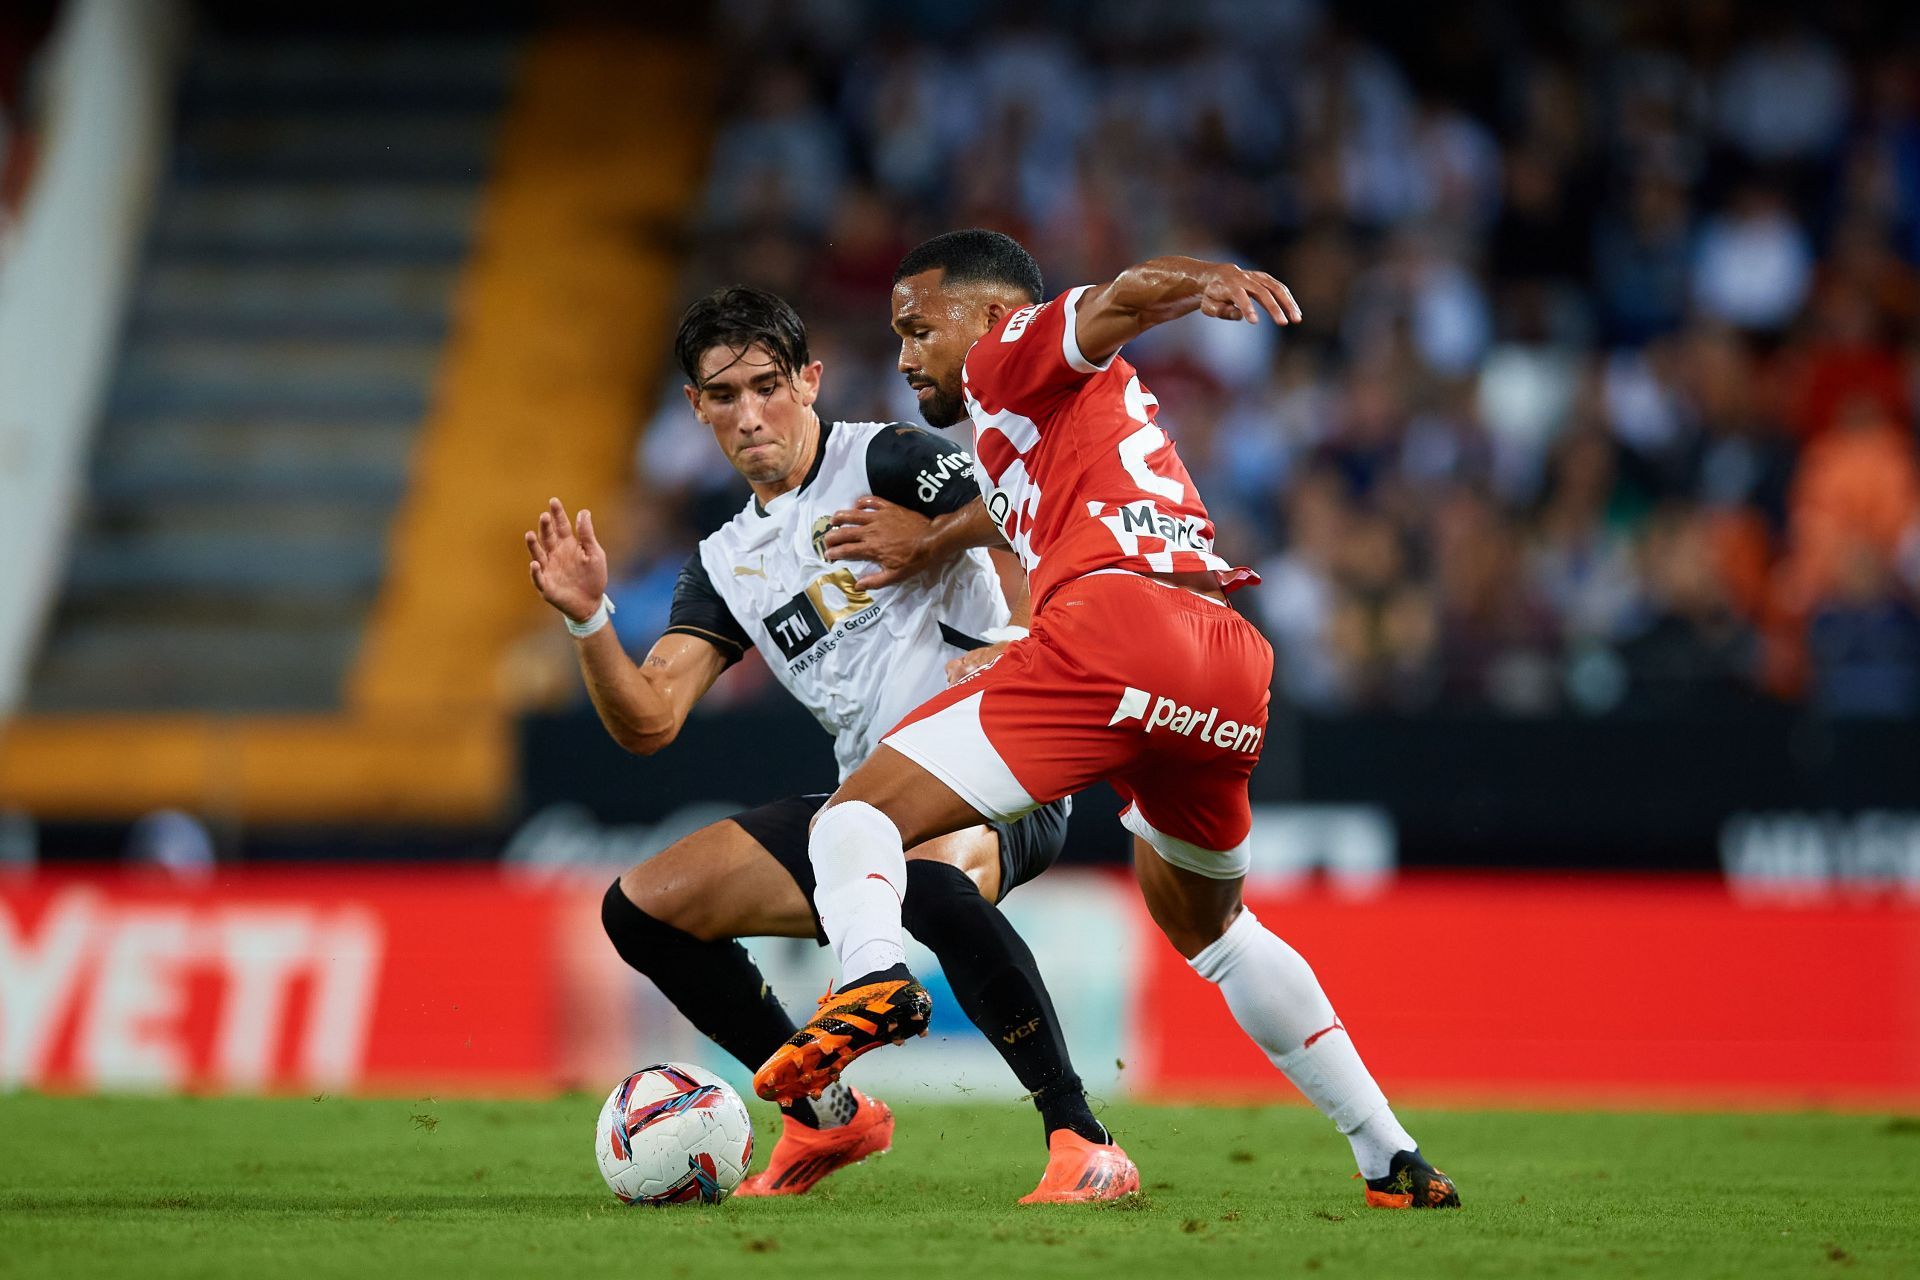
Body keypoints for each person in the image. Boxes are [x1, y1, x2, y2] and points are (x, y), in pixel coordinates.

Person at [754, 231, 1460, 1210]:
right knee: (1212, 929)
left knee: (853, 819)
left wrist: (1200, 282)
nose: (907, 354)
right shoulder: (1041, 425)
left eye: (919, 327)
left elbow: (1120, 298)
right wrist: (940, 541)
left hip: (1112, 635)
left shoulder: (1012, 352)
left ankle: (871, 976)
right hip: (1219, 657)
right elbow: (1021, 506)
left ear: (991, 315)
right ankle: (1391, 1155)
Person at [523, 285, 1137, 1203]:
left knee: (926, 871)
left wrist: (995, 625)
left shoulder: (888, 459)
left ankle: (1083, 1140)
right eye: (722, 397)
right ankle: (828, 1115)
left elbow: (1027, 513)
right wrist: (589, 625)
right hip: (864, 816)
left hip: (1001, 777)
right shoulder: (726, 562)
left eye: (768, 385)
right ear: (696, 407)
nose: (749, 414)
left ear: (810, 381)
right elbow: (649, 720)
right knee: (640, 910)